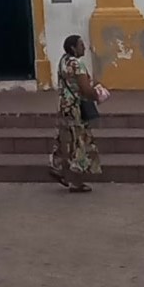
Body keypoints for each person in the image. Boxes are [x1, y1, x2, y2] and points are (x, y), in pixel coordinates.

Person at [47, 34, 102, 192]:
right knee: (79, 142)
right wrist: (97, 95)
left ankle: (57, 166)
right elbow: (85, 89)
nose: (84, 47)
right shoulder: (78, 64)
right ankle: (76, 182)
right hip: (76, 108)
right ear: (73, 48)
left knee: (64, 138)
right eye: (80, 44)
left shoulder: (63, 62)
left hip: (64, 105)